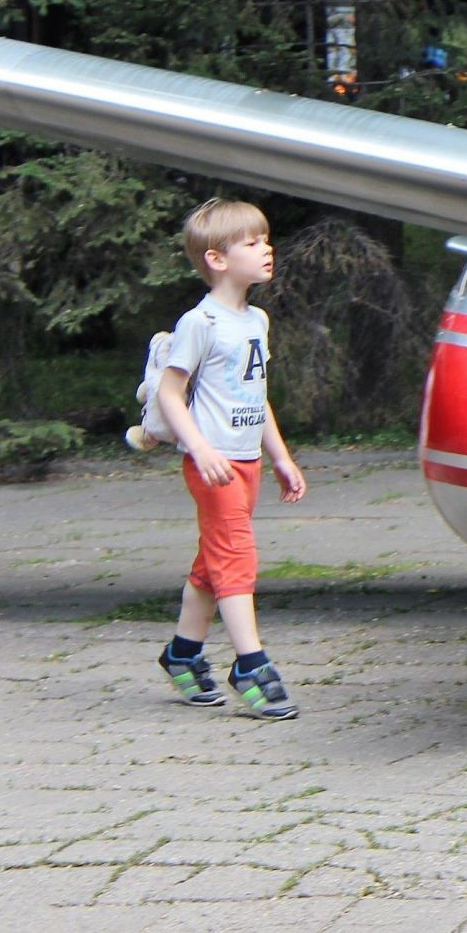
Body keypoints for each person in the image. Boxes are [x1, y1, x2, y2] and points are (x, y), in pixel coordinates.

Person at [151, 199, 308, 720]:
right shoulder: (200, 322)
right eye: (253, 242)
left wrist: (281, 457)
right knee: (237, 559)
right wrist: (200, 447)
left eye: (266, 240)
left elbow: (254, 394)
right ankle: (251, 665)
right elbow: (172, 394)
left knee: (213, 564)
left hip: (247, 463)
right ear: (217, 259)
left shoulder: (255, 320)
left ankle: (183, 654)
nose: (267, 249)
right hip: (212, 465)